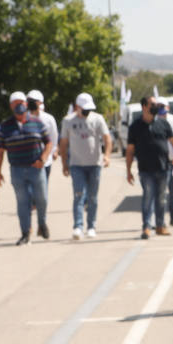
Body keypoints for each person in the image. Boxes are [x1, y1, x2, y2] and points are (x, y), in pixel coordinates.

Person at [0, 91, 51, 245]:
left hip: (36, 168)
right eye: (15, 103)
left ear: (26, 104)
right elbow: (0, 151)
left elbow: (48, 142)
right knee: (22, 202)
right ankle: (25, 232)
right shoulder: (5, 127)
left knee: (42, 199)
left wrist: (43, 158)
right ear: (11, 106)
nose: (19, 105)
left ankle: (42, 223)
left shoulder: (36, 122)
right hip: (17, 170)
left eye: (21, 102)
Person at [125, 95, 173, 240]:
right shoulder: (135, 127)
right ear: (144, 106)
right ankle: (146, 227)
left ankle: (160, 225)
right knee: (148, 197)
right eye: (153, 104)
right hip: (145, 170)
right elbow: (130, 150)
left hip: (164, 168)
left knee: (161, 199)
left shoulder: (163, 124)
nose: (156, 107)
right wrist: (128, 171)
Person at [60, 92, 111, 240]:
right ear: (77, 107)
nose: (87, 111)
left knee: (93, 197)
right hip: (77, 165)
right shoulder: (68, 121)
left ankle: (91, 227)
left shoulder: (97, 119)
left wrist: (106, 156)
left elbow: (107, 139)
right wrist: (64, 163)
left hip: (95, 164)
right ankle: (78, 226)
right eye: (84, 109)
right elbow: (63, 143)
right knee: (79, 195)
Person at [27, 89, 58, 191]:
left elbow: (53, 137)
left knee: (42, 190)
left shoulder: (48, 119)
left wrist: (53, 152)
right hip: (27, 161)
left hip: (45, 161)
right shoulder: (22, 118)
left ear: (40, 103)